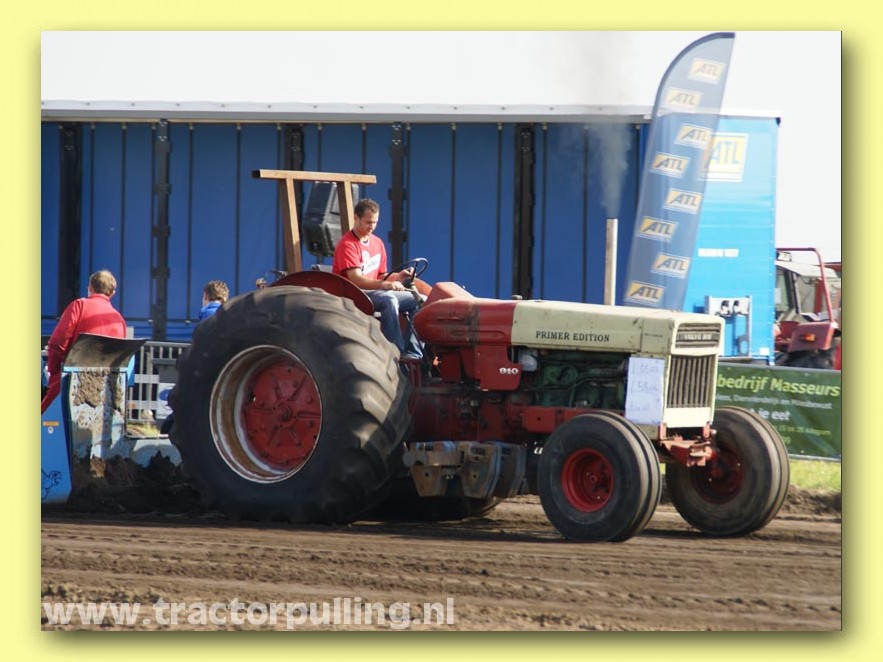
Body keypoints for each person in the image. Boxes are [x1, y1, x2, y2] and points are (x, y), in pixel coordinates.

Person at [332, 198, 422, 359]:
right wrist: (386, 285)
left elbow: (381, 276)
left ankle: (414, 353)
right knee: (389, 300)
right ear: (356, 218)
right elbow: (356, 280)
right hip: (356, 294)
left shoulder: (377, 243)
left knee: (421, 300)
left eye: (375, 222)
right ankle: (396, 353)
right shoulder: (347, 245)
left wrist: (399, 277)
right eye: (368, 222)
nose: (372, 227)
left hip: (374, 291)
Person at [41, 269, 127, 412]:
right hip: (105, 392)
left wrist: (54, 370)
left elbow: (58, 343)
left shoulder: (79, 306)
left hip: (71, 385)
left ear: (90, 287)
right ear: (112, 293)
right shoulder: (119, 320)